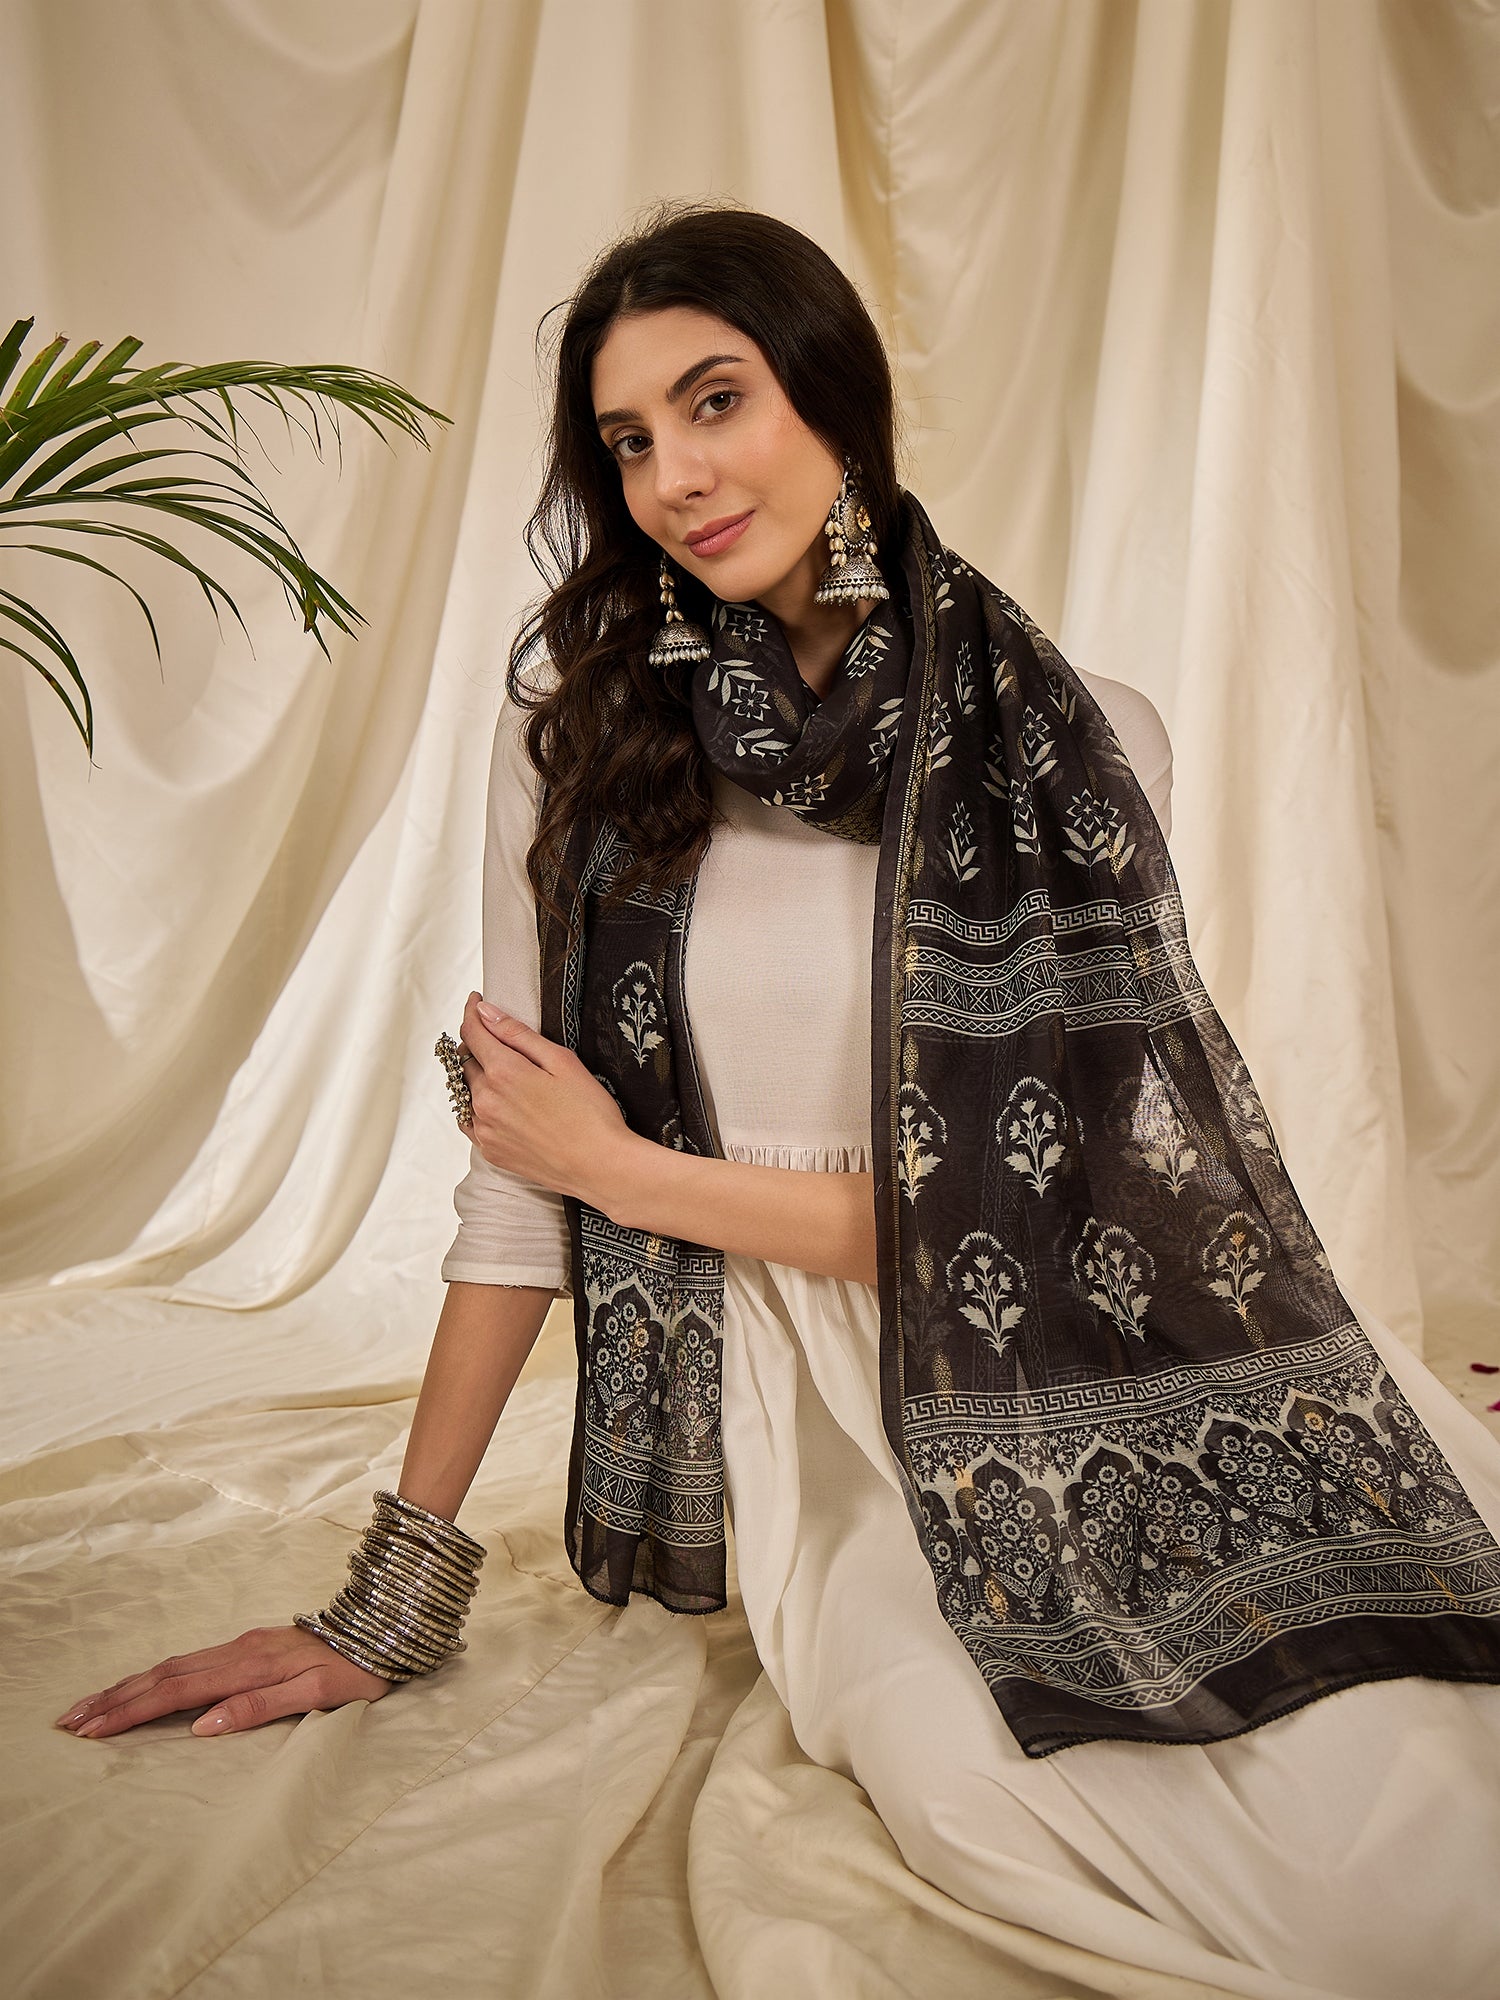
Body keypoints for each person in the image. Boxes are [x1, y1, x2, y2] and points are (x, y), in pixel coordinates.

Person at [55, 200, 1500, 2000]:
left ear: (835, 397)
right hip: (816, 1435)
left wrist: (630, 1174)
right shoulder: (579, 744)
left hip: (1111, 1368)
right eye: (627, 439)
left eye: (717, 400)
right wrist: (394, 1594)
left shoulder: (1086, 735)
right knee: (1008, 1798)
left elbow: (1061, 1231)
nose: (673, 475)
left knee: (1413, 1767)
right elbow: (521, 1186)